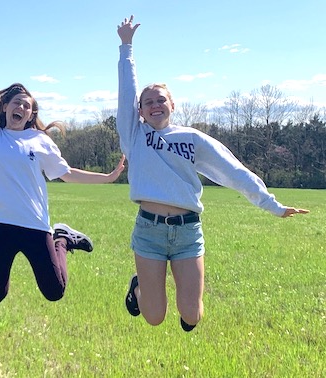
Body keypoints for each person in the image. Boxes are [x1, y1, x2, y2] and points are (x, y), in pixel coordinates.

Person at [116, 16, 309, 332]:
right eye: (147, 102)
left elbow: (232, 170)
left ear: (172, 105)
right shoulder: (134, 136)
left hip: (187, 232)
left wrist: (272, 205)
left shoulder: (191, 139)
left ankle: (176, 299)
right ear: (139, 111)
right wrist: (126, 47)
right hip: (149, 230)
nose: (154, 105)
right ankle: (139, 287)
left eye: (160, 100)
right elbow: (126, 93)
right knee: (153, 317)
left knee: (192, 316)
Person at [0, 53, 125, 304]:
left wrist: (107, 178)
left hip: (35, 224)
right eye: (16, 103)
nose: (20, 107)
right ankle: (4, 255)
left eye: (26, 106)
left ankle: (62, 238)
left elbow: (66, 173)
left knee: (55, 291)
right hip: (0, 224)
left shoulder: (41, 141)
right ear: (5, 107)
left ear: (31, 114)